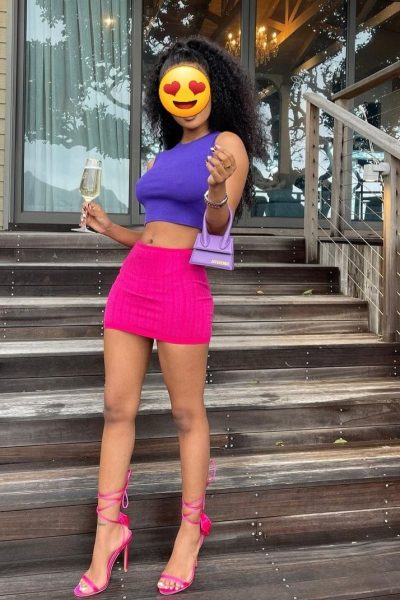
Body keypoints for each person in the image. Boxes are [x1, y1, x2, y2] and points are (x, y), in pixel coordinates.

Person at [74, 34, 266, 597]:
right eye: (172, 88)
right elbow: (154, 231)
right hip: (134, 281)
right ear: (163, 96)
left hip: (183, 284)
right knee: (117, 408)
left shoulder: (227, 145)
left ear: (213, 88)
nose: (184, 96)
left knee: (186, 412)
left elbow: (215, 230)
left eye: (193, 85)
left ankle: (190, 529)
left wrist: (216, 190)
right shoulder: (162, 156)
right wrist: (111, 228)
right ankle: (108, 530)